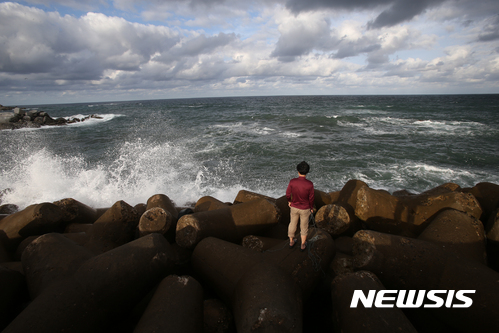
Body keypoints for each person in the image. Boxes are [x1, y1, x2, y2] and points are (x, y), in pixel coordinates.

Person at [286, 161, 314, 251]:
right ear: (307, 172)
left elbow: (287, 193)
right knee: (304, 226)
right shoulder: (310, 184)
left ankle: (291, 241)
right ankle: (302, 244)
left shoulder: (292, 181)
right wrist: (311, 207)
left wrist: (289, 201)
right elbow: (311, 198)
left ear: (298, 171)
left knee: (292, 224)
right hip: (305, 208)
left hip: (294, 207)